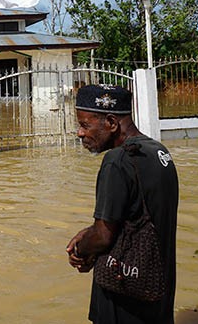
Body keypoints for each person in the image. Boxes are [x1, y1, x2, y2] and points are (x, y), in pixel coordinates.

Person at [66, 84, 179, 323]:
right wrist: (90, 231)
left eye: (86, 125)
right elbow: (138, 215)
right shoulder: (159, 152)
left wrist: (81, 251)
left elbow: (104, 236)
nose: (79, 133)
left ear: (111, 123)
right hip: (158, 289)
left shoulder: (116, 161)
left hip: (124, 294)